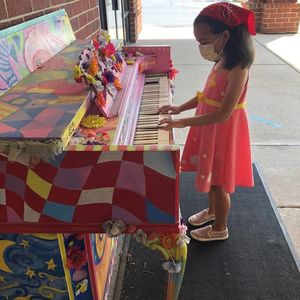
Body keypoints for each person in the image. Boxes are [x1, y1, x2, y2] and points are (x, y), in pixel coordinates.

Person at [158, 2, 256, 242]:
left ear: (224, 35)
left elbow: (224, 113)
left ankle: (220, 227)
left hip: (223, 130)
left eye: (203, 41)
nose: (201, 47)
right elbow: (206, 96)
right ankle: (212, 212)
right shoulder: (221, 60)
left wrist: (182, 123)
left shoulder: (238, 68)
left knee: (219, 182)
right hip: (210, 127)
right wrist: (180, 107)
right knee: (211, 175)